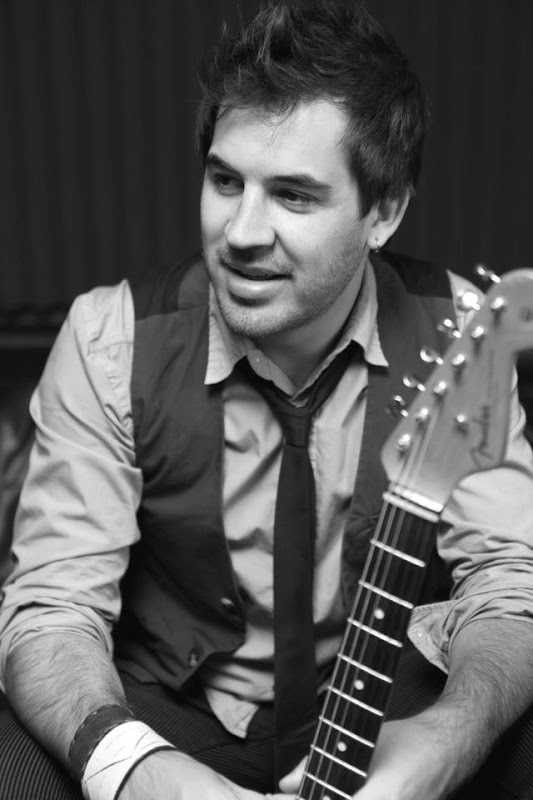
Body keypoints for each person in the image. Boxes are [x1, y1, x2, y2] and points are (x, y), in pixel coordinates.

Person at [1, 1, 533, 799]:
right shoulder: (110, 336)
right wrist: (137, 770)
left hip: (384, 703)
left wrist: (451, 734)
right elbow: (52, 609)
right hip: (182, 712)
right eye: (225, 181)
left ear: (383, 211)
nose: (242, 232)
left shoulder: (459, 330)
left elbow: (509, 578)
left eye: (292, 195)